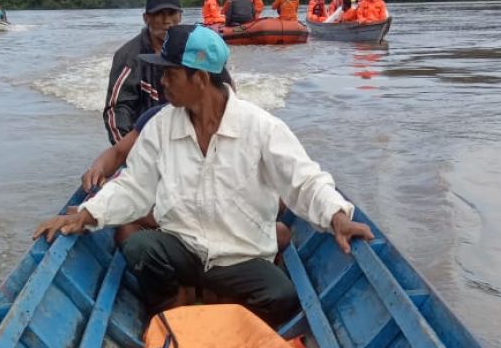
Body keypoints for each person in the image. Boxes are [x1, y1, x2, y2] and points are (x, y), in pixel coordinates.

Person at [35, 25, 372, 327]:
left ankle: (216, 308)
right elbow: (134, 186)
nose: (161, 81)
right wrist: (86, 214)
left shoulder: (260, 127)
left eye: (169, 73)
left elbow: (304, 180)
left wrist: (337, 216)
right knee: (140, 248)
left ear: (198, 78)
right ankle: (173, 311)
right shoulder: (161, 125)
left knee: (282, 297)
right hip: (183, 247)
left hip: (239, 255)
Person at [103, 0, 183, 145]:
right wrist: (126, 151)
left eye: (172, 13)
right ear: (146, 18)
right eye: (160, 14)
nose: (167, 21)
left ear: (180, 16)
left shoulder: (189, 51)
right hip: (143, 139)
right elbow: (117, 109)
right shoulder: (129, 57)